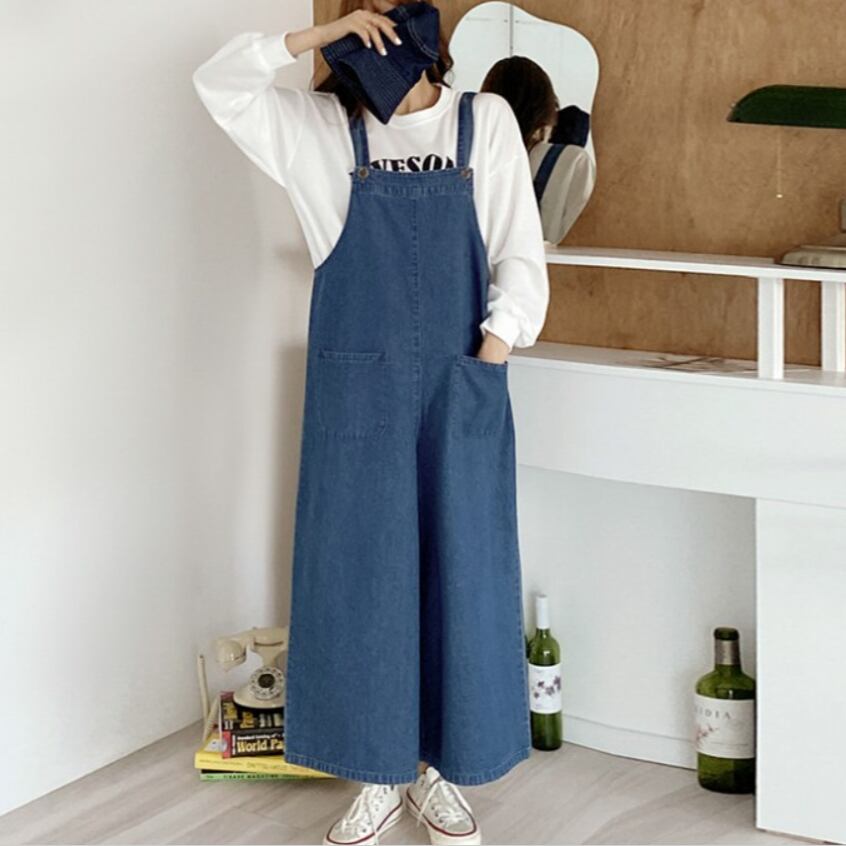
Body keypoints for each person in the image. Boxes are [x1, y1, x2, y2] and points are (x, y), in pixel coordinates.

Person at [192, 2, 549, 843]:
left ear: (426, 53)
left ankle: (437, 772)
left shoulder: (484, 122)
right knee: (361, 577)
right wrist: (314, 36)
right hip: (358, 392)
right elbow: (219, 84)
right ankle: (378, 772)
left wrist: (489, 356)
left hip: (461, 378)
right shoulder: (322, 130)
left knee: (461, 571)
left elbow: (520, 255)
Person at [481, 56, 596, 244]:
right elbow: (583, 239)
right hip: (551, 262)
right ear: (548, 110)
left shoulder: (473, 160)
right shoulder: (573, 161)